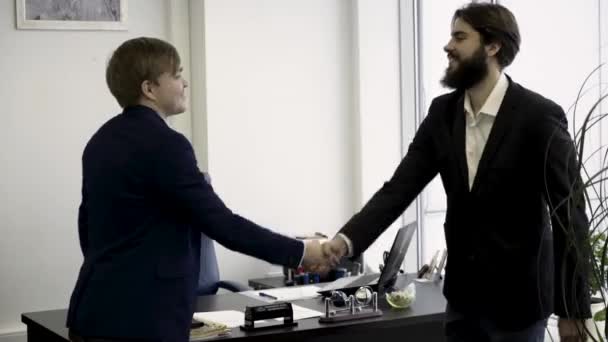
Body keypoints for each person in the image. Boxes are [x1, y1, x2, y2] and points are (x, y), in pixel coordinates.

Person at [323, 3, 590, 341]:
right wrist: (344, 243)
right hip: (463, 305)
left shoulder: (539, 117)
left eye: (459, 37)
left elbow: (570, 216)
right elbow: (398, 190)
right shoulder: (442, 114)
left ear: (492, 47)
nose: (448, 46)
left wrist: (573, 311)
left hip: (518, 308)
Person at [66, 37, 334, 342]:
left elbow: (86, 226)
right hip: (144, 322)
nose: (185, 84)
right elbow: (221, 223)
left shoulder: (101, 141)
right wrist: (301, 251)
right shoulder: (165, 144)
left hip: (95, 311)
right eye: (177, 75)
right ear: (149, 89)